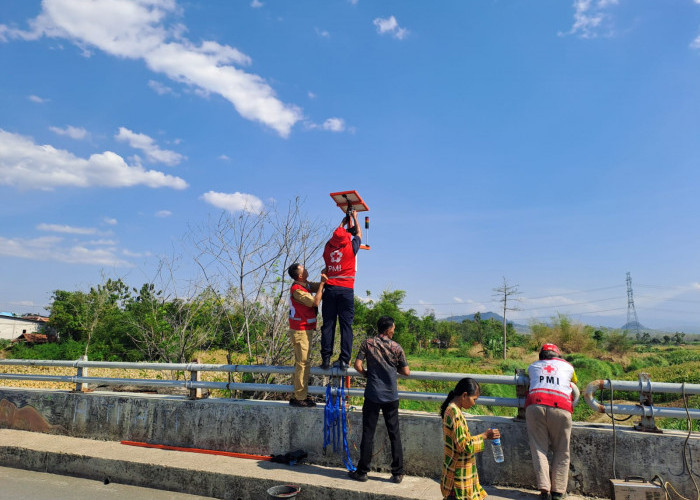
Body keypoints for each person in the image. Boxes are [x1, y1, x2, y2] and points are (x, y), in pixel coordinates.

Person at [348, 315, 409, 484]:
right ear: (389, 329)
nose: (394, 330)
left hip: (373, 394)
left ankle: (362, 472)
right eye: (394, 328)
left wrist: (367, 374)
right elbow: (406, 372)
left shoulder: (368, 343)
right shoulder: (397, 347)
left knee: (368, 433)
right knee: (394, 433)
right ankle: (397, 473)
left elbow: (357, 365)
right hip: (390, 396)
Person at [525, 343, 578, 500]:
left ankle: (544, 489)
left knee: (538, 448)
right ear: (558, 356)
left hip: (534, 405)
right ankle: (558, 492)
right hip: (561, 407)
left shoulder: (533, 366)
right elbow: (574, 381)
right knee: (562, 450)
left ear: (541, 356)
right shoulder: (568, 366)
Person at [440, 378, 500, 500]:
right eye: (474, 399)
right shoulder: (454, 413)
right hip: (458, 477)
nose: (474, 403)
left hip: (459, 473)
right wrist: (484, 436)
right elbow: (464, 445)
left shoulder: (453, 410)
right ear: (464, 395)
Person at [320, 210, 362, 370]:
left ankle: (325, 359)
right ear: (346, 238)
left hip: (330, 290)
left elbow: (335, 236)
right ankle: (344, 360)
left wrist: (342, 223)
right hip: (346, 290)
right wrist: (355, 219)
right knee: (346, 326)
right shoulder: (350, 248)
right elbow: (358, 234)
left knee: (328, 325)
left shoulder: (327, 249)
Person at [287, 263, 327, 408]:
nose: (306, 268)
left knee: (303, 363)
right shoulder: (297, 290)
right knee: (302, 364)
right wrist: (323, 283)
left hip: (305, 330)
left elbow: (316, 287)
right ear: (299, 275)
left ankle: (300, 395)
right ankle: (299, 397)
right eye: (303, 268)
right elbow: (315, 302)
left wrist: (327, 271)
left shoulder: (305, 285)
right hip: (300, 331)